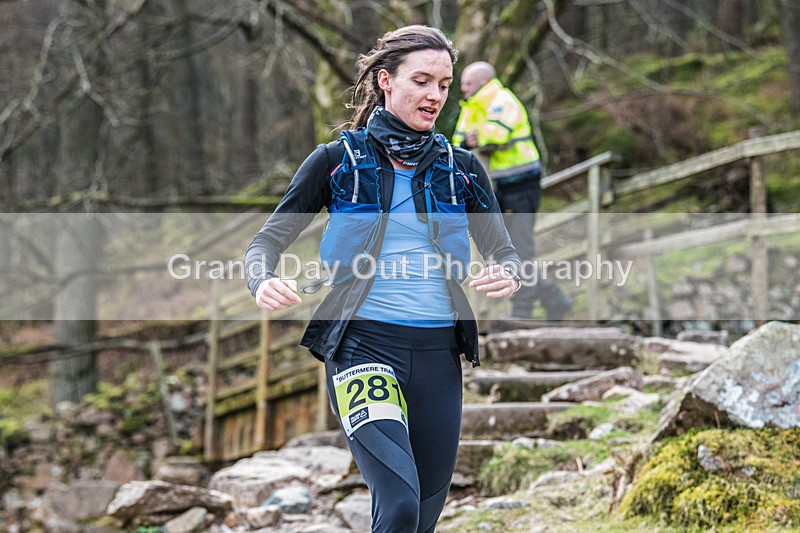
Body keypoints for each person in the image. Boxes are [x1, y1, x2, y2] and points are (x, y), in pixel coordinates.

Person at [245, 26, 521, 533]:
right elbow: (265, 243)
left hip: (440, 355)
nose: (436, 95)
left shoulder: (462, 169)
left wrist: (508, 272)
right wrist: (261, 280)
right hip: (362, 347)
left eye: (444, 84)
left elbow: (504, 251)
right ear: (386, 80)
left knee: (422, 518)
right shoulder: (337, 162)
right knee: (397, 505)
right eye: (422, 80)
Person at [453, 61, 574, 321]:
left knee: (519, 248)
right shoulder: (470, 108)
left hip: (520, 184)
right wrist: (468, 140)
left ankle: (522, 312)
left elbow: (495, 135)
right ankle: (555, 299)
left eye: (468, 84)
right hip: (494, 188)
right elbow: (459, 143)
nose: (462, 88)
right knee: (503, 249)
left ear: (484, 81)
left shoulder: (502, 100)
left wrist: (477, 138)